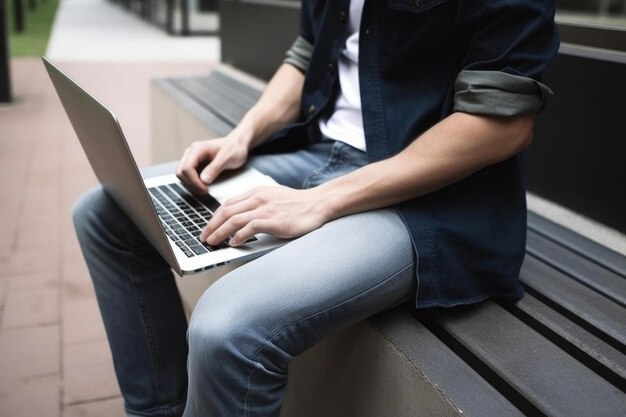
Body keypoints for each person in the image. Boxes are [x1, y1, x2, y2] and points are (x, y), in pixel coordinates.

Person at [72, 1, 560, 416]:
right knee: (106, 213)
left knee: (227, 329)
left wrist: (318, 201)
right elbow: (308, 54)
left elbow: (502, 123)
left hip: (429, 198)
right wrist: (241, 136)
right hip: (322, 153)